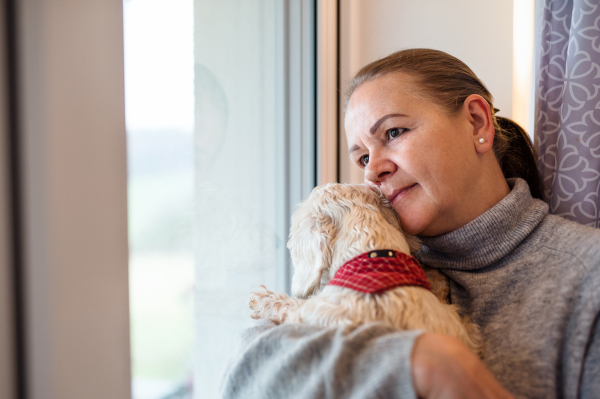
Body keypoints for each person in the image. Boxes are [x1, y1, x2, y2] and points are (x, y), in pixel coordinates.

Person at [220, 49, 600, 399]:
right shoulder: (363, 261)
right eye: (363, 157)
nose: (374, 170)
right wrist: (421, 361)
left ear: (476, 122)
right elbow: (243, 374)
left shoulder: (586, 274)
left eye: (394, 133)